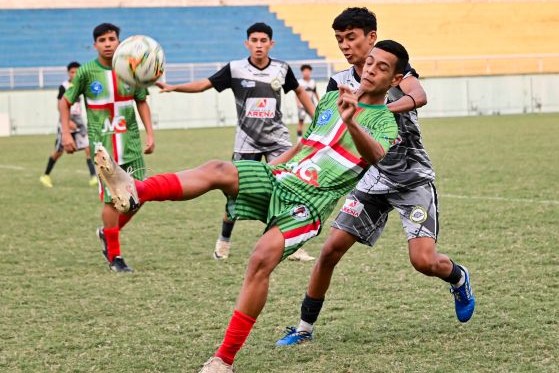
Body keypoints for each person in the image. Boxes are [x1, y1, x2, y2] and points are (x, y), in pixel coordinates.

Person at [94, 40, 406, 373]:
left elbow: (374, 156)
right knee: (218, 169)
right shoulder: (331, 98)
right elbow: (305, 143)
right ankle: (135, 189)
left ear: (396, 80)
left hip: (308, 205)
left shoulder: (386, 122)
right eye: (370, 62)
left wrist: (352, 121)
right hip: (280, 177)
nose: (371, 69)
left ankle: (223, 360)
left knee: (260, 260)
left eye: (382, 68)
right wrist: (273, 168)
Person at [275, 7, 475, 347]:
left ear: (371, 37)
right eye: (339, 40)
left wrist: (377, 109)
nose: (344, 46)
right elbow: (327, 130)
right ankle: (303, 328)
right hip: (370, 180)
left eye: (351, 38)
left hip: (411, 180)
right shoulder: (339, 82)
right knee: (329, 252)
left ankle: (458, 277)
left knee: (423, 261)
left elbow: (419, 96)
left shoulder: (395, 68)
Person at [156, 22, 316, 262]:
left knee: (288, 190)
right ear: (247, 43)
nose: (259, 45)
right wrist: (174, 87)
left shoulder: (282, 69)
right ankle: (224, 240)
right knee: (235, 193)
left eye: (264, 41)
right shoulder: (235, 69)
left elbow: (300, 92)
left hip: (278, 141)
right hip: (246, 143)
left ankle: (293, 245)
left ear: (271, 44)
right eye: (254, 40)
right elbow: (203, 85)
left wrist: (317, 117)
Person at [60, 23, 155, 273]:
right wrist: (67, 132)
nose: (108, 43)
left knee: (139, 196)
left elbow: (142, 101)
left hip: (131, 145)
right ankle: (115, 257)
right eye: (102, 40)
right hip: (104, 148)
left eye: (112, 39)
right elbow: (65, 102)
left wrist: (150, 133)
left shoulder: (130, 69)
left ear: (119, 41)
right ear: (95, 45)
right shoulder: (86, 72)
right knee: (114, 201)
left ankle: (107, 233)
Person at [40, 61, 98, 188]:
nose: (75, 74)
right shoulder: (64, 86)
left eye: (77, 71)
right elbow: (60, 105)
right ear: (68, 73)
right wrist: (66, 121)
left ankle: (93, 176)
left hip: (79, 121)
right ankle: (45, 175)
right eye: (72, 72)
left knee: (89, 147)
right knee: (59, 151)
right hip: (66, 121)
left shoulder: (82, 85)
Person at [295, 64, 319, 139]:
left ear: (310, 72)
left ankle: (315, 138)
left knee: (316, 120)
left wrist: (319, 102)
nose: (306, 72)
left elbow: (315, 93)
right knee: (301, 121)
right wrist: (298, 103)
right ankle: (299, 139)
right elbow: (297, 94)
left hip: (311, 104)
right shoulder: (299, 82)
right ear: (302, 72)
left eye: (308, 71)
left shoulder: (313, 82)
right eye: (304, 71)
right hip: (302, 105)